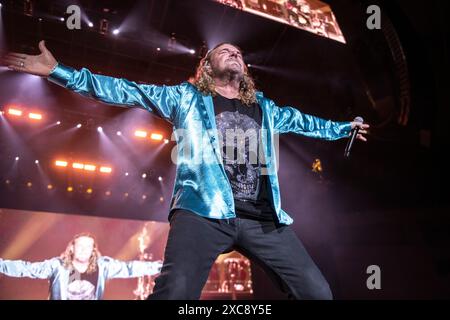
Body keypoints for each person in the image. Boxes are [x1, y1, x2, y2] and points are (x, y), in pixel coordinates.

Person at [3, 41, 369, 299]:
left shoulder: (266, 108)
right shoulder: (185, 97)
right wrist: (59, 72)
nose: (235, 53)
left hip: (263, 220)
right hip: (202, 214)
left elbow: (306, 122)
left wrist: (344, 127)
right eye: (225, 50)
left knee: (318, 292)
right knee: (175, 292)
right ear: (207, 67)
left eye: (239, 52)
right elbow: (123, 90)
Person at [0, 233, 162, 300]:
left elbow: (129, 268)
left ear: (93, 250)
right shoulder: (58, 266)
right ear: (72, 248)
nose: (84, 250)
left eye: (88, 246)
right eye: (80, 246)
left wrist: (159, 267)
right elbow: (26, 268)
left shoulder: (102, 266)